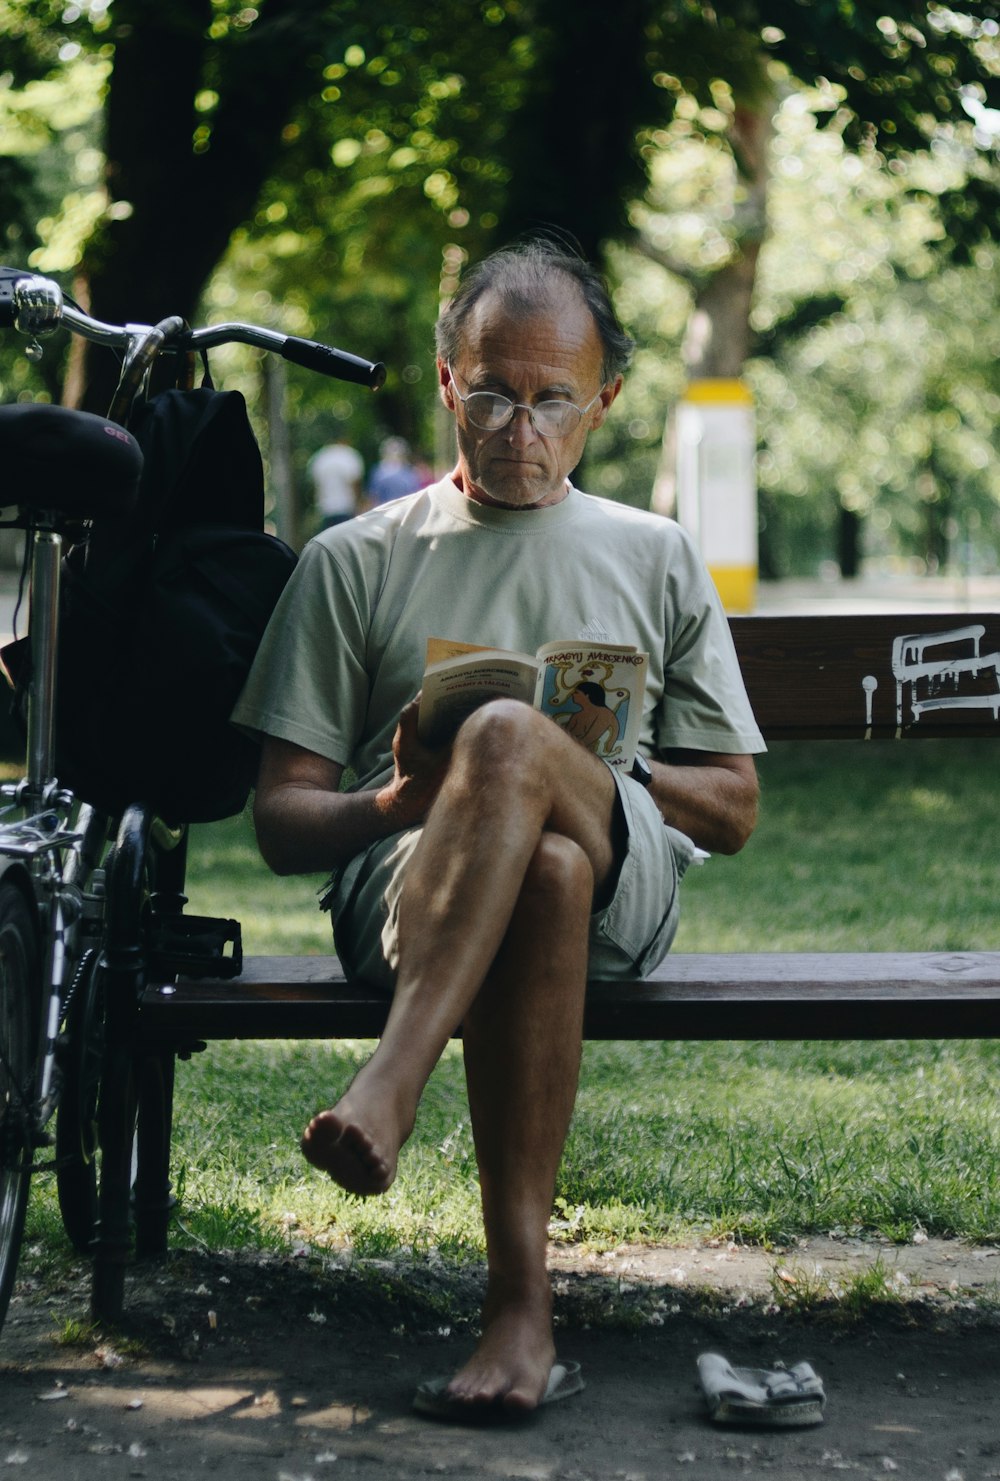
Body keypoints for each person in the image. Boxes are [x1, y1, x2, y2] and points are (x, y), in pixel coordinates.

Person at [232, 239, 765, 1419]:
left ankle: (391, 1080)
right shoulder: (352, 561)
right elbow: (278, 819)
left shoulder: (656, 555)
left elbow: (731, 806)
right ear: (444, 383)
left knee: (522, 752)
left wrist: (592, 765)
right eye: (491, 390)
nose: (517, 425)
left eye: (550, 399)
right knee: (544, 865)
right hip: (412, 892)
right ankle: (521, 1313)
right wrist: (403, 801)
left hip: (628, 882)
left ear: (602, 403)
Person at [307, 436, 364, 529]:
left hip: (326, 509)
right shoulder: (349, 455)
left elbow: (315, 485)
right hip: (345, 507)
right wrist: (358, 505)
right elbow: (355, 484)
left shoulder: (319, 458)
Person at [365, 435, 423, 506]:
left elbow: (372, 496)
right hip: (403, 511)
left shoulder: (378, 471)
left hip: (384, 511)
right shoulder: (410, 472)